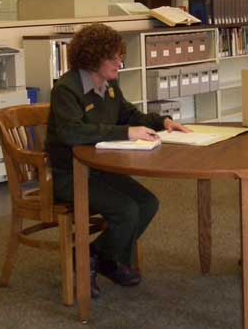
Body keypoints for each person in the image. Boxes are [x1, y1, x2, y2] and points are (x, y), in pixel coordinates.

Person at [46, 23, 190, 298]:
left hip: (102, 170)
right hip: (72, 176)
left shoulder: (110, 85)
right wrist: (125, 132)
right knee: (126, 210)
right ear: (92, 58)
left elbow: (128, 115)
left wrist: (163, 122)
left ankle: (96, 257)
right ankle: (101, 259)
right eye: (112, 58)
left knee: (148, 203)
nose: (119, 63)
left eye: (119, 56)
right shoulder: (66, 89)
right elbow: (72, 132)